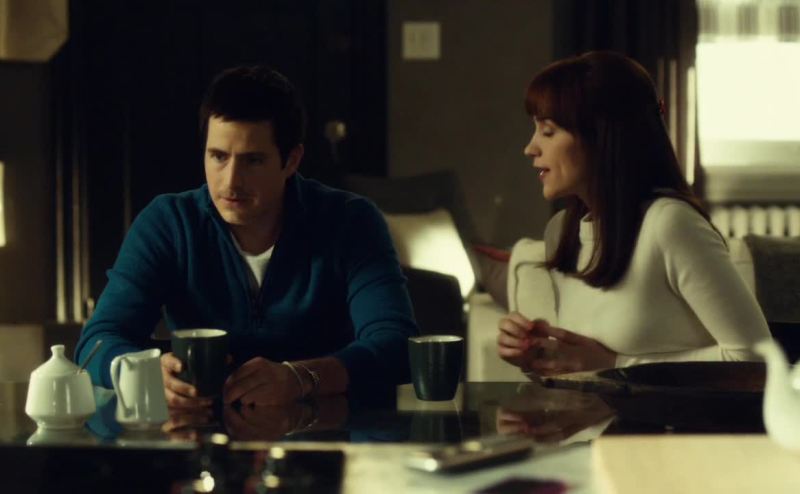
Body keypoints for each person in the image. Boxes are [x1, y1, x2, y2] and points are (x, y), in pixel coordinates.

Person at [75, 65, 418, 407]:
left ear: (291, 160)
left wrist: (301, 378)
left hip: (325, 425)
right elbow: (98, 342)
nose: (230, 182)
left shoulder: (350, 221)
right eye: (218, 156)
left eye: (253, 161)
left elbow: (397, 343)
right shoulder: (168, 223)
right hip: (200, 427)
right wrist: (144, 372)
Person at [497, 51, 771, 376]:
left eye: (548, 131)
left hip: (664, 413)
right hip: (588, 411)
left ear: (601, 135)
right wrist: (537, 352)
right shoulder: (563, 231)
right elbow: (585, 368)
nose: (530, 148)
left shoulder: (670, 223)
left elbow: (754, 360)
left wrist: (617, 365)